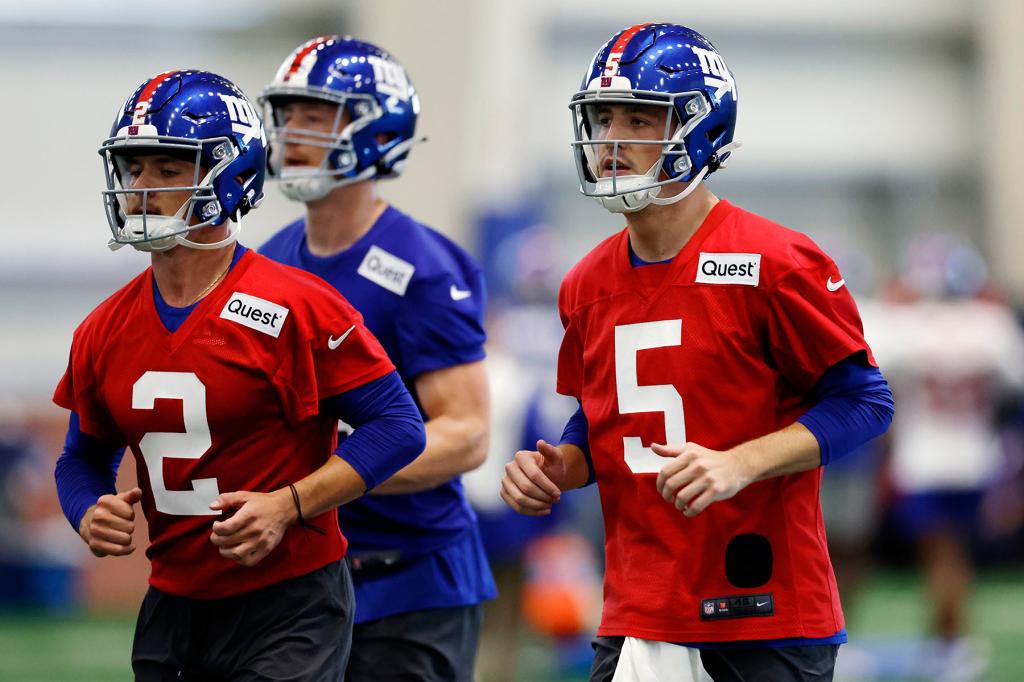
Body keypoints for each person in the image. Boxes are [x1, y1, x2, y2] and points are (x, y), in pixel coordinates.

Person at [499, 23, 895, 682]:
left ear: (699, 127)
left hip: (762, 612)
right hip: (638, 610)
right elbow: (606, 421)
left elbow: (865, 401)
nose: (613, 140)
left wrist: (741, 462)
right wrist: (561, 466)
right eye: (602, 119)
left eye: (639, 119)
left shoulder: (776, 260)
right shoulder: (584, 283)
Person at [52, 69, 426, 681]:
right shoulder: (102, 329)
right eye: (134, 167)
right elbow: (80, 458)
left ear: (228, 176)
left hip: (290, 602)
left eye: (168, 169)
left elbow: (399, 425)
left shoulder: (299, 305)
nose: (141, 187)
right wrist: (86, 509)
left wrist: (289, 504)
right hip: (173, 604)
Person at [258, 37, 496, 681]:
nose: (292, 133)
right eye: (288, 115)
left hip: (407, 573)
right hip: (301, 572)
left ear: (376, 122)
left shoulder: (420, 266)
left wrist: (320, 477)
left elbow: (467, 434)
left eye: (316, 114)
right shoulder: (268, 260)